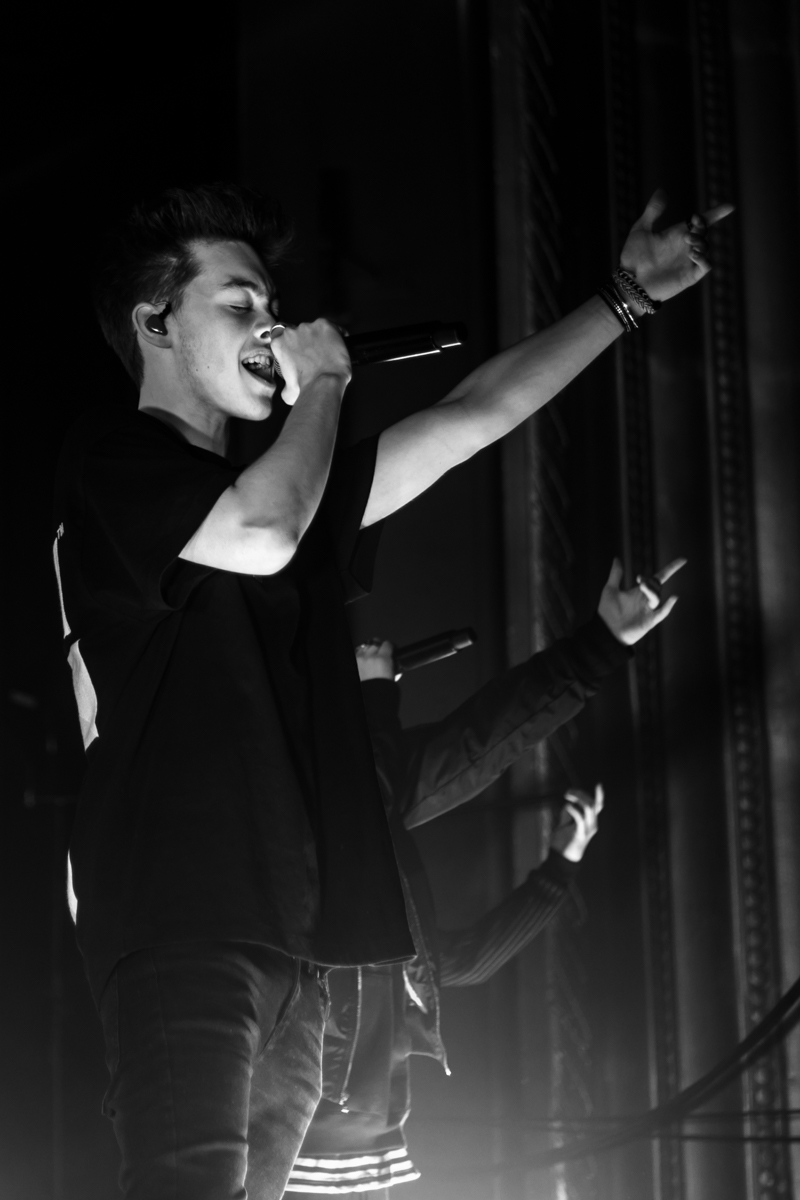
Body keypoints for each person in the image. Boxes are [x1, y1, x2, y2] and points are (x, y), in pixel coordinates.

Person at [51, 179, 724, 1200]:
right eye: (238, 303)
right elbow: (258, 530)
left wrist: (626, 297)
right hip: (184, 915)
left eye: (273, 306)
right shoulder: (118, 461)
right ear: (155, 323)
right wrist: (323, 383)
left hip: (301, 943)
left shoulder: (292, 499)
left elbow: (473, 415)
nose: (268, 324)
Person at [286, 558, 679, 1196]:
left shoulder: (298, 972)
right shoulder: (405, 974)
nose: (394, 1090)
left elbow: (357, 816)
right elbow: (481, 747)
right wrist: (604, 642)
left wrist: (373, 699)